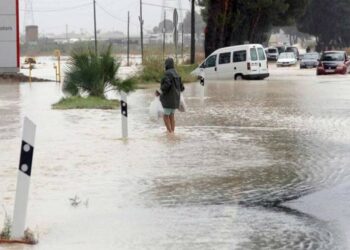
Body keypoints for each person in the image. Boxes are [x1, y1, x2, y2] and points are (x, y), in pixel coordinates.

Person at [155, 58, 185, 133]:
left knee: (165, 116)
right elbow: (182, 88)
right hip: (175, 101)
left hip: (168, 100)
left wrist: (160, 91)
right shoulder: (177, 73)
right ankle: (172, 132)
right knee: (172, 116)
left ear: (166, 65)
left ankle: (169, 133)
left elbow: (167, 85)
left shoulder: (167, 73)